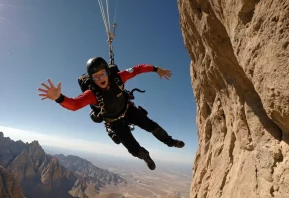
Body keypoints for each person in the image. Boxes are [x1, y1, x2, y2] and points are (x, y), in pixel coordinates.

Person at [37, 57, 185, 170]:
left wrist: (155, 69)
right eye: (96, 76)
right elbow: (75, 105)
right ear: (92, 79)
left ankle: (170, 142)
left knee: (153, 127)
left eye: (102, 74)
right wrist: (59, 98)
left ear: (108, 72)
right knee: (134, 149)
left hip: (128, 110)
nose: (100, 78)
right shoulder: (92, 94)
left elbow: (138, 69)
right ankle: (145, 156)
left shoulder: (119, 78)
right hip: (114, 121)